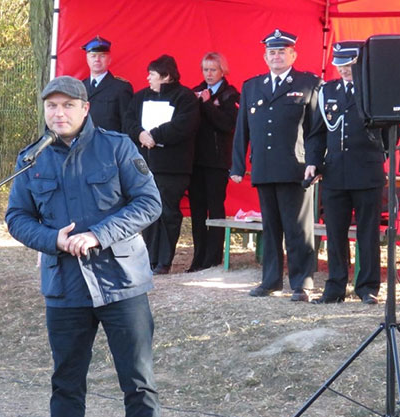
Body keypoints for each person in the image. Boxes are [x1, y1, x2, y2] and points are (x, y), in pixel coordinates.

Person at [6, 76, 164, 417]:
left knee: (138, 381)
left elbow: (149, 203)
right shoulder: (32, 159)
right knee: (66, 382)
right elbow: (17, 217)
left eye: (66, 105)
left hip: (120, 283)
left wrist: (99, 235)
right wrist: (52, 239)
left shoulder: (117, 147)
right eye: (51, 106)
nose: (58, 113)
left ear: (85, 108)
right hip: (65, 285)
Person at [230, 29, 320, 302]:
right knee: (270, 229)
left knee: (297, 229)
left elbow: (316, 129)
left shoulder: (309, 83)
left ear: (293, 54)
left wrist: (315, 163)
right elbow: (241, 129)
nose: (277, 56)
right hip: (265, 167)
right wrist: (236, 166)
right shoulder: (252, 86)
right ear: (265, 56)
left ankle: (301, 283)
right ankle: (270, 281)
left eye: (282, 51)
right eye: (272, 52)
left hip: (296, 168)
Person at [304, 41, 385, 305]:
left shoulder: (373, 90)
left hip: (367, 170)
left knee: (368, 232)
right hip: (336, 172)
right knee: (335, 233)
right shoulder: (328, 91)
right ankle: (335, 286)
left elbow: (387, 132)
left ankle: (368, 286)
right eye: (340, 65)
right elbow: (316, 133)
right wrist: (313, 161)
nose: (345, 70)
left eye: (350, 65)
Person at [125, 54, 199, 274]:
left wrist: (154, 135)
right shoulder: (140, 97)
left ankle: (164, 261)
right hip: (144, 165)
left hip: (172, 168)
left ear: (166, 76)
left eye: (152, 74)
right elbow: (128, 121)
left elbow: (184, 125)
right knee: (147, 211)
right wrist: (140, 134)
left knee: (167, 211)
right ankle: (148, 258)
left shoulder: (185, 97)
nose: (148, 78)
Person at [187, 52, 240, 272]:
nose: (208, 74)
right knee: (197, 210)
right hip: (195, 160)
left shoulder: (230, 95)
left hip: (217, 161)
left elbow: (227, 125)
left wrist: (208, 105)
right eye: (205, 70)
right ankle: (198, 258)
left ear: (222, 71)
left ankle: (213, 258)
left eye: (213, 70)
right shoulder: (194, 92)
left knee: (215, 209)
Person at [80, 36, 133, 132]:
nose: (97, 59)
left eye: (102, 56)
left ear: (109, 60)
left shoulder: (121, 88)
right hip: (84, 144)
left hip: (109, 144)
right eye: (93, 56)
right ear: (87, 60)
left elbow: (127, 124)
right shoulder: (80, 86)